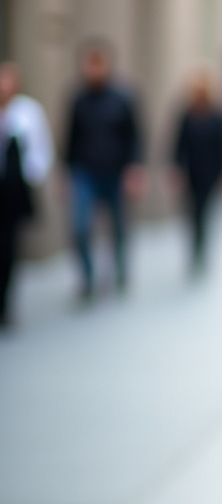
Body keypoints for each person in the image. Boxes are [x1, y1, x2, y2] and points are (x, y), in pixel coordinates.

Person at [64, 41, 144, 299]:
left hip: (116, 172)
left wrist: (135, 170)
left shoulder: (123, 97)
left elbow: (135, 136)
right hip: (85, 172)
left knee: (118, 227)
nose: (94, 69)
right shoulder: (78, 99)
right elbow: (70, 138)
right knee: (80, 227)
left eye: (99, 63)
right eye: (90, 64)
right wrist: (64, 172)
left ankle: (120, 271)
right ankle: (87, 278)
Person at [0, 63, 54, 327]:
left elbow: (41, 150)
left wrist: (29, 177)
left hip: (12, 191)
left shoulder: (27, 112)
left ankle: (6, 303)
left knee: (8, 246)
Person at [172, 70, 222, 274]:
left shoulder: (217, 117)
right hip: (191, 173)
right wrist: (176, 168)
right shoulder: (188, 115)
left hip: (211, 174)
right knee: (192, 215)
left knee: (205, 214)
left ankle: (203, 251)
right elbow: (179, 144)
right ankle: (194, 252)